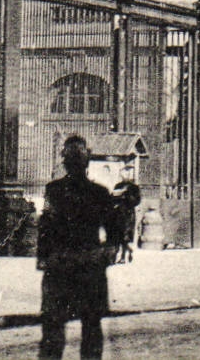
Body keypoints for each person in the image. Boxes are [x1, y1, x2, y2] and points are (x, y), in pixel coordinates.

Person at [38, 136, 128, 360]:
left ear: (64, 162)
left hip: (60, 265)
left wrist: (43, 258)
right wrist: (109, 251)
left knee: (53, 330)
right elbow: (115, 228)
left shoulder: (54, 191)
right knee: (91, 328)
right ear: (86, 162)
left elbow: (45, 227)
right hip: (90, 266)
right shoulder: (99, 193)